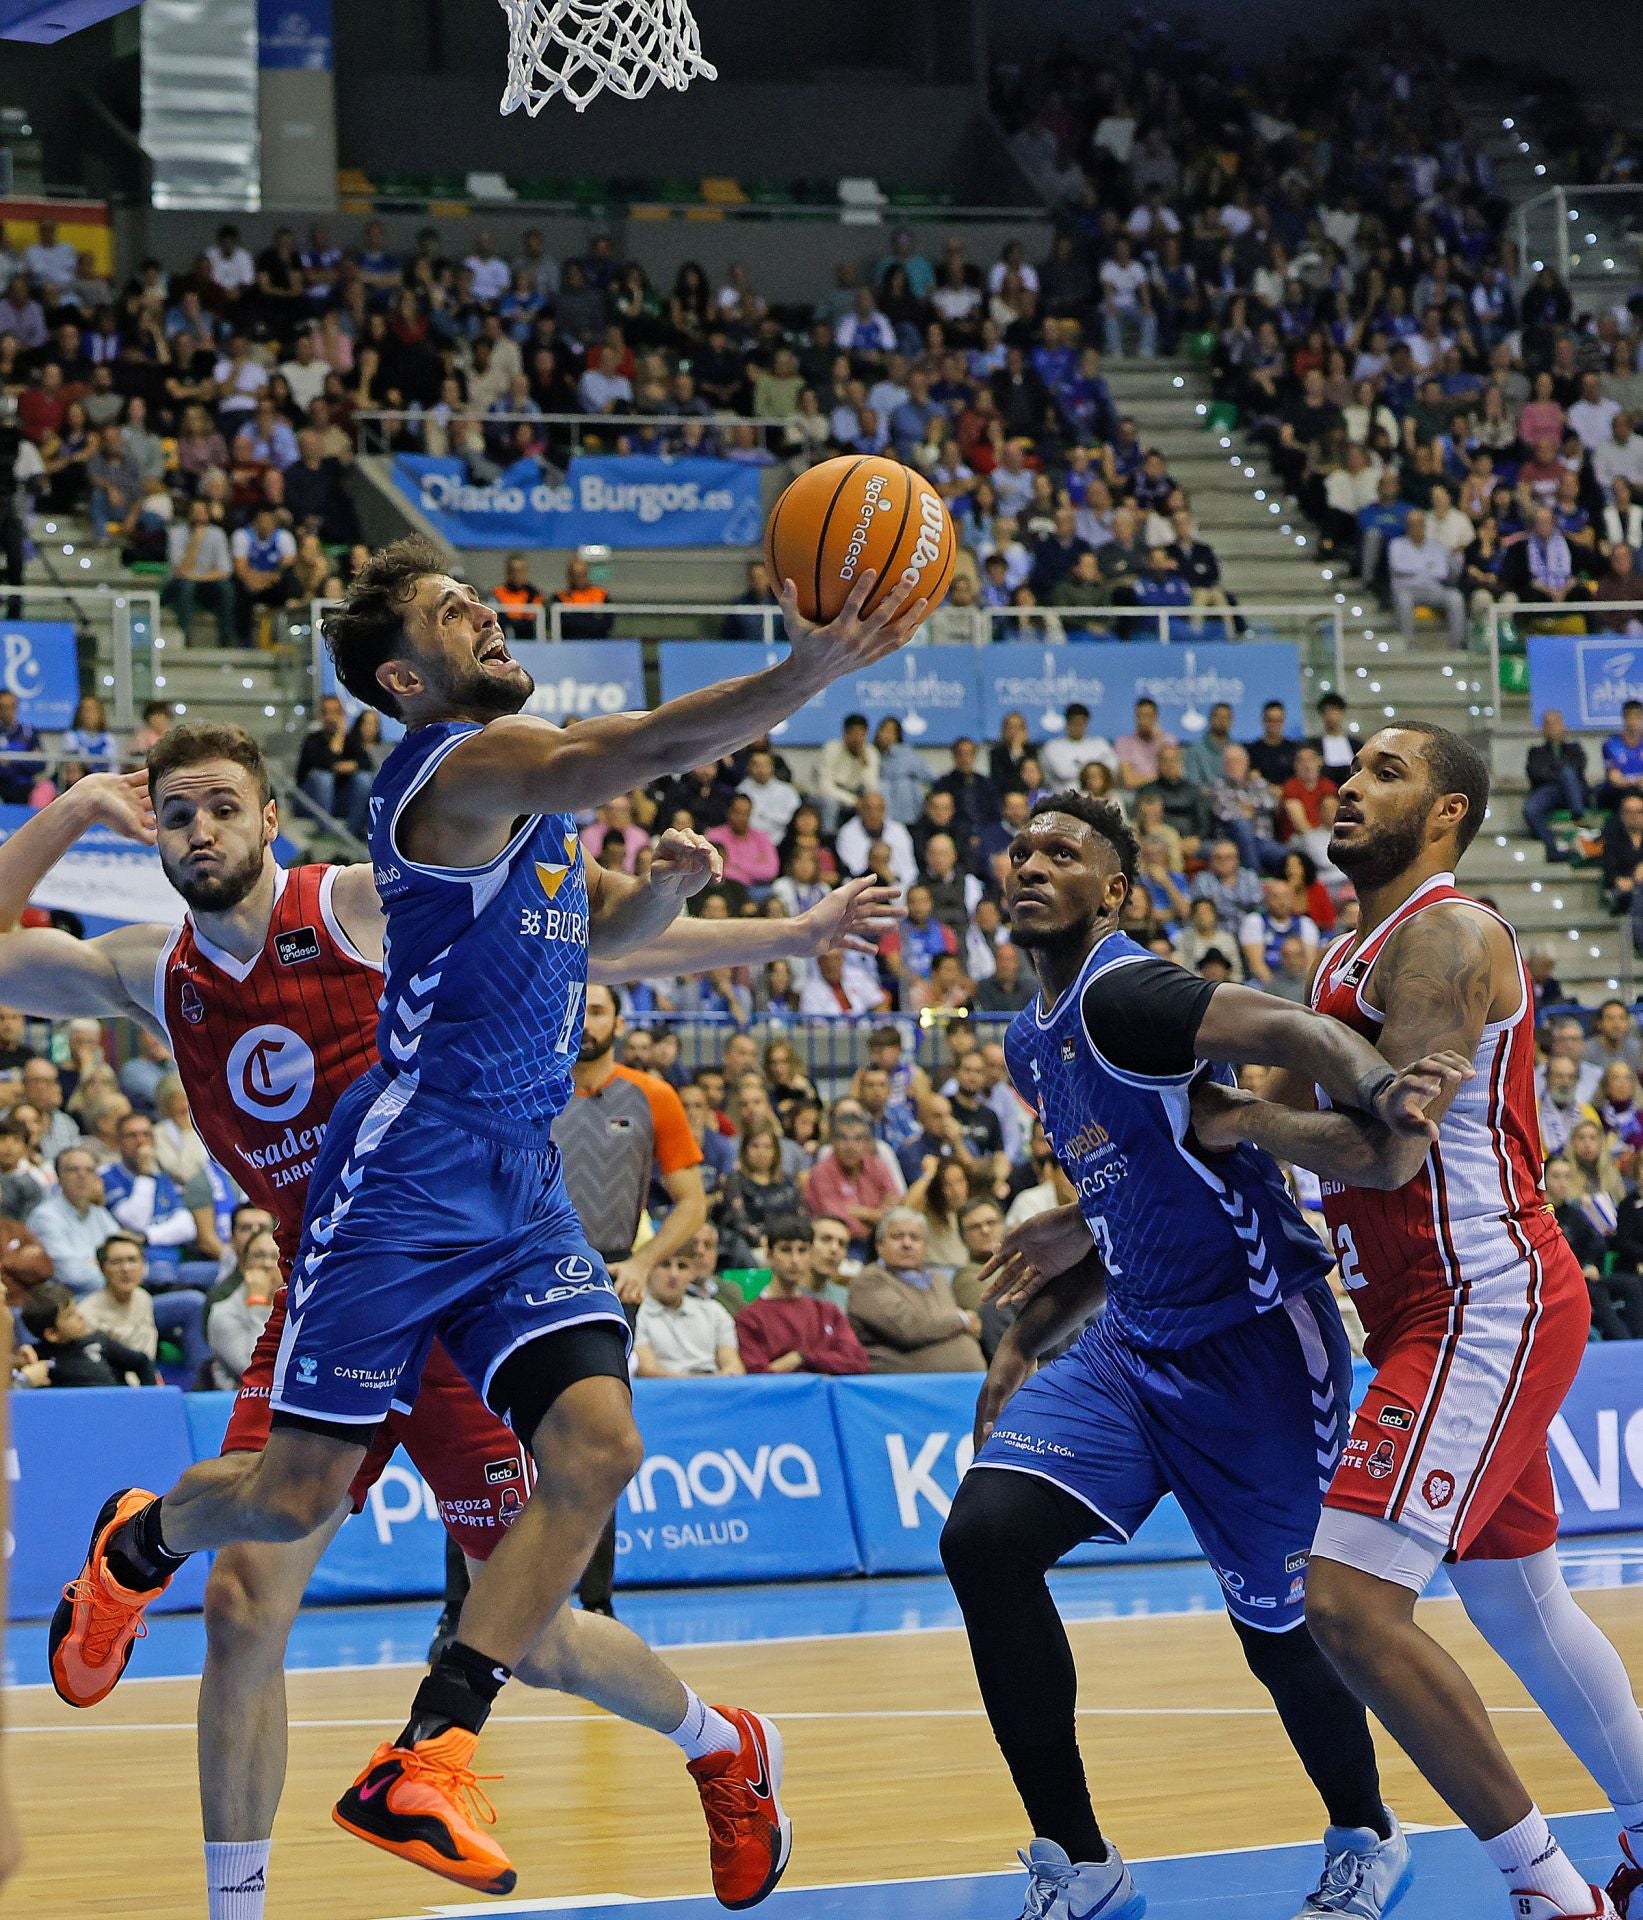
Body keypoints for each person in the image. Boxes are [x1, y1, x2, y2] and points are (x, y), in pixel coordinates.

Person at [52, 535, 929, 1900]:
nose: (487, 614)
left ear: (268, 819)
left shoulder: (430, 856)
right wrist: (803, 672)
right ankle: (150, 1554)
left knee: (594, 1473)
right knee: (268, 1540)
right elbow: (611, 753)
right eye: (455, 611)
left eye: (221, 804)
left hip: (505, 1188)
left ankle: (668, 1747)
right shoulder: (448, 777)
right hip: (386, 1202)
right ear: (406, 675)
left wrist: (774, 929)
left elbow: (593, 938)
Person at [939, 787, 1466, 1920]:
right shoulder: (1031, 1030)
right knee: (982, 1540)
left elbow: (1285, 1029)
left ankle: (1366, 1835)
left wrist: (1380, 1091)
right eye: (1019, 850)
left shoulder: (1126, 991)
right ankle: (1078, 1862)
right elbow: (1129, 1194)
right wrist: (1024, 1340)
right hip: (1133, 1343)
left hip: (1256, 1349)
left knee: (1282, 1635)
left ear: (1113, 891)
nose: (1030, 865)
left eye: (1063, 854)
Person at [1191, 722, 1643, 1918]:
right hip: (1416, 1313)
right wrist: (1087, 1227)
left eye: (1383, 773)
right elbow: (1248, 1112)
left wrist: (1241, 1124)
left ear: (1445, 813)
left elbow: (1385, 1157)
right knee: (1518, 1603)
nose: (1346, 786)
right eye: (1348, 770)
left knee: (1345, 1603)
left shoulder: (1446, 935)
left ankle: (1548, 1890)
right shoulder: (1344, 954)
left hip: (1477, 1302)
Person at [847, 1207, 985, 1373]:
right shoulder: (870, 1280)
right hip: (900, 1384)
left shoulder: (937, 1279)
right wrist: (962, 1319)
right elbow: (908, 1328)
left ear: (926, 1247)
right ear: (879, 1246)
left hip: (955, 1383)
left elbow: (941, 1322)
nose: (907, 1244)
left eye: (915, 1237)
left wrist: (952, 1322)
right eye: (897, 1236)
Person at [732, 1214, 870, 1375]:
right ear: (769, 1255)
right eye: (785, 1250)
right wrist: (821, 1367)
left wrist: (801, 1358)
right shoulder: (750, 1318)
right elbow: (759, 1375)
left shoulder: (828, 1312)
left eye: (802, 1250)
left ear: (811, 1255)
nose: (795, 1259)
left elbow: (857, 1362)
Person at [78, 1230, 210, 1388]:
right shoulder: (87, 1312)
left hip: (147, 1382)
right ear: (102, 1268)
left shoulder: (143, 1298)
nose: (126, 1269)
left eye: (132, 1260)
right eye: (116, 1262)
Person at [634, 1250, 744, 1377]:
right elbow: (647, 1370)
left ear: (692, 1274)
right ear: (648, 1270)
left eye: (682, 1266)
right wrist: (700, 1383)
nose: (673, 1274)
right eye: (665, 1265)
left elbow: (733, 1364)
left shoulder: (714, 1311)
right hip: (664, 1392)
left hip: (714, 1389)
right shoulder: (636, 1315)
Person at [207, 1226, 279, 1388]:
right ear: (244, 1265)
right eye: (259, 1256)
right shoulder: (223, 1313)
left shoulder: (297, 1309)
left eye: (275, 1257)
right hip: (237, 1402)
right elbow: (253, 1368)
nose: (267, 1264)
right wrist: (258, 1304)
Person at [1524, 711, 1590, 860]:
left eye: (1556, 723)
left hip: (1575, 791)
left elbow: (1578, 770)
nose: (1552, 727)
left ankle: (1578, 817)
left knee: (1567, 775)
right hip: (1548, 791)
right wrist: (1560, 774)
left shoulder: (1575, 749)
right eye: (1548, 724)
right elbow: (1536, 774)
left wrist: (1556, 771)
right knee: (1531, 809)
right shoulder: (1536, 752)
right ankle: (1553, 846)